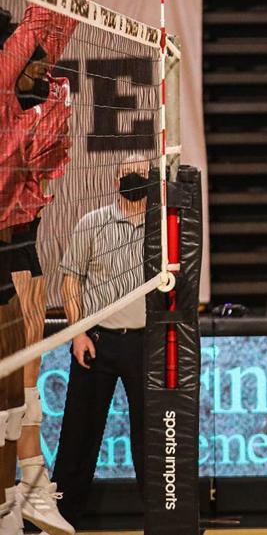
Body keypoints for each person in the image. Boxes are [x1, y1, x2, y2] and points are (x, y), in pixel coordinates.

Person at [1, 0, 104, 535]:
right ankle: (23, 489)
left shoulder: (36, 66)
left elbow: (61, 11)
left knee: (24, 377)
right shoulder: (10, 72)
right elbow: (48, 13)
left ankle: (29, 490)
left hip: (22, 240)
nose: (46, 51)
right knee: (13, 379)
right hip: (6, 237)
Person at [52, 156, 152, 529]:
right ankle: (62, 517)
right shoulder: (92, 223)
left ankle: (161, 519)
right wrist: (77, 332)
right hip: (97, 341)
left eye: (141, 175)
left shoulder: (162, 230)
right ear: (115, 180)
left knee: (151, 435)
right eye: (128, 175)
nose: (134, 180)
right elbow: (70, 280)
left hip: (145, 344)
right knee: (79, 433)